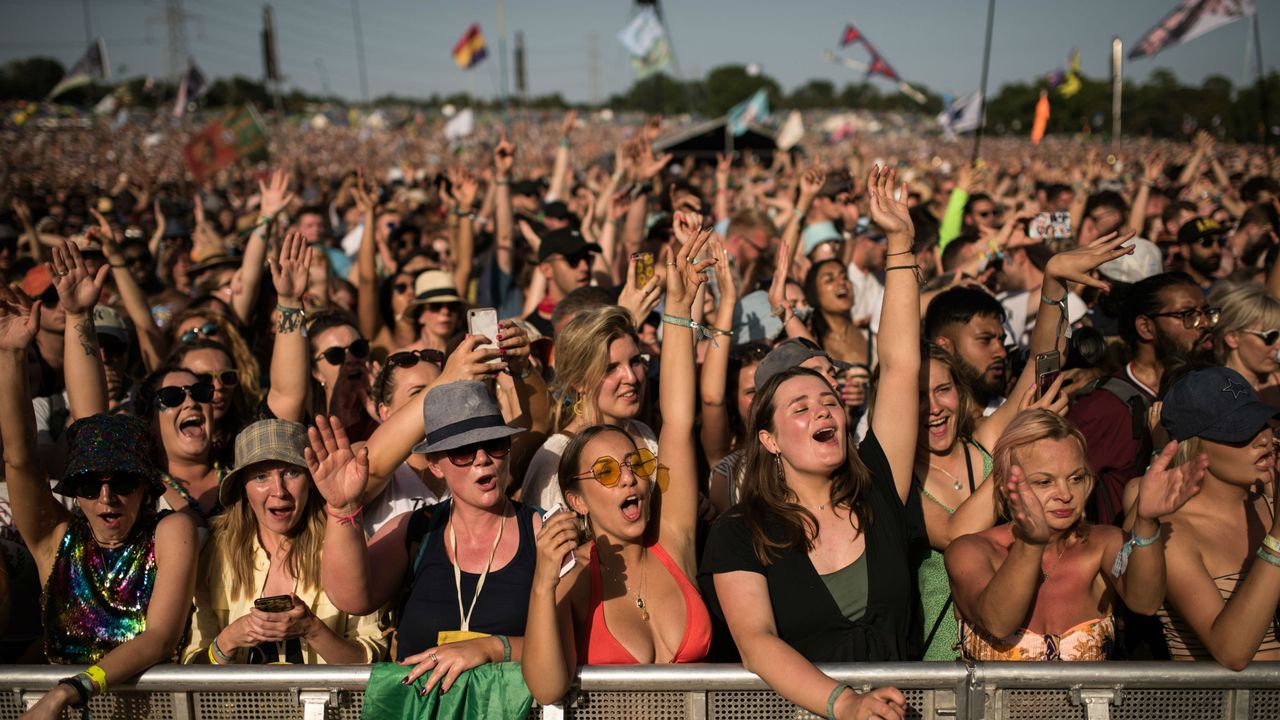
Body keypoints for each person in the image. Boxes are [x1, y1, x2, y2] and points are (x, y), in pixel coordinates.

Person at [700, 167, 918, 720]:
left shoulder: (879, 485)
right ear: (768, 439)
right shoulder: (739, 533)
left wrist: (900, 245)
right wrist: (844, 705)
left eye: (828, 401)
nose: (823, 410)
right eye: (800, 408)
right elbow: (757, 642)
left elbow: (898, 369)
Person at [521, 216, 715, 704]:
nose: (630, 478)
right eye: (606, 472)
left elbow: (679, 419)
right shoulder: (574, 574)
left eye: (638, 467)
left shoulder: (672, 537)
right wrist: (544, 583)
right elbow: (546, 687)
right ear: (575, 499)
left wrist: (678, 308)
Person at [0, 285, 196, 719]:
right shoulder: (55, 541)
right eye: (89, 485)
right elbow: (19, 456)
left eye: (123, 482)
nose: (106, 497)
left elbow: (160, 637)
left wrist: (69, 691)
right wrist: (12, 354)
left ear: (147, 487)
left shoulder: (170, 532)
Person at [312, 380, 538, 696]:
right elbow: (352, 597)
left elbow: (572, 643)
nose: (483, 458)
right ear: (435, 464)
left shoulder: (542, 531)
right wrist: (343, 508)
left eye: (496, 444)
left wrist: (492, 648)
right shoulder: (415, 529)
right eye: (463, 451)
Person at [945, 410, 1204, 661]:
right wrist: (1031, 542)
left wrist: (1146, 520)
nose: (1065, 494)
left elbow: (1145, 602)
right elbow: (998, 623)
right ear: (1005, 487)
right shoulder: (970, 551)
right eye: (1044, 482)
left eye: (1076, 478)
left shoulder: (1103, 544)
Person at [184, 419, 387, 664]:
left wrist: (311, 629)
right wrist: (229, 639)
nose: (279, 490)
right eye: (261, 477)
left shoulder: (345, 542)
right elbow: (192, 666)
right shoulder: (216, 550)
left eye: (292, 473)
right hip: (239, 703)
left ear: (311, 480)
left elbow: (371, 661)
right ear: (243, 488)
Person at [1133, 367, 1280, 668]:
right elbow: (1232, 651)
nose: (1264, 438)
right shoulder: (1173, 532)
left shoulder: (1270, 504)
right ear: (1195, 445)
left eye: (1263, 422)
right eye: (1242, 430)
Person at [1068, 270, 1216, 525]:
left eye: (1206, 312)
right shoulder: (1103, 407)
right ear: (1146, 327)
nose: (1205, 323)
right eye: (1187, 315)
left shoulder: (1209, 389)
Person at [522, 305, 655, 511]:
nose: (631, 377)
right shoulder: (554, 460)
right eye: (610, 368)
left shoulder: (643, 433)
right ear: (578, 381)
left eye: (635, 361)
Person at [923, 286, 1010, 412]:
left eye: (1002, 340)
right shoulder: (925, 421)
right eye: (985, 340)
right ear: (944, 347)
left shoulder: (1017, 413)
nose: (1002, 353)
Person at [1210, 282, 1280, 403]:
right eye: (1270, 336)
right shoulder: (1213, 392)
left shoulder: (1277, 381)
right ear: (1232, 338)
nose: (1278, 345)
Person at [804, 258, 871, 367]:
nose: (841, 282)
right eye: (829, 280)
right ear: (814, 292)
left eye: (845, 277)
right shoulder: (811, 342)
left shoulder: (871, 336)